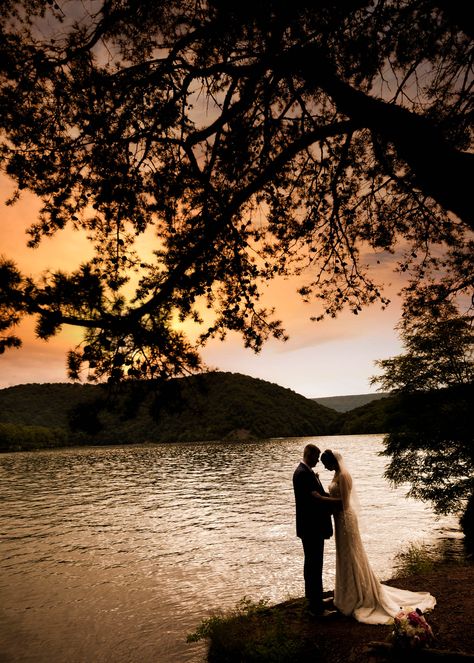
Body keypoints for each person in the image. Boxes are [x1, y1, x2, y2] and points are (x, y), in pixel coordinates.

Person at [320, 449, 437, 624]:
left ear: (332, 462)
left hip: (345, 520)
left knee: (351, 556)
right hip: (339, 521)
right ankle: (346, 594)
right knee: (344, 557)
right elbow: (336, 496)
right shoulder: (337, 473)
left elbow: (344, 503)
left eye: (326, 464)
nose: (325, 468)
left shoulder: (344, 475)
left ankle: (355, 596)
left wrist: (320, 499)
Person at [292, 443, 342, 617]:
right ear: (309, 455)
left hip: (311, 527)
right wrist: (339, 502)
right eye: (316, 457)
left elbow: (319, 495)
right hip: (311, 528)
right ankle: (316, 609)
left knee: (314, 564)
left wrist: (331, 497)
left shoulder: (305, 472)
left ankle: (316, 600)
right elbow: (316, 499)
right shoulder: (302, 474)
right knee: (313, 565)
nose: (318, 461)